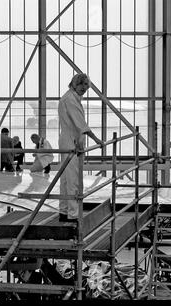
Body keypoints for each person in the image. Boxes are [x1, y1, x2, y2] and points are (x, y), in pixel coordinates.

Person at [58, 73, 104, 222]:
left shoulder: (70, 97)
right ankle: (73, 215)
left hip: (69, 140)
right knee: (73, 179)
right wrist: (97, 140)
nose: (84, 88)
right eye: (82, 85)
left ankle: (64, 211)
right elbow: (80, 124)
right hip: (71, 142)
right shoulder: (70, 100)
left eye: (86, 86)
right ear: (74, 84)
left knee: (66, 179)